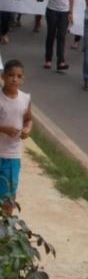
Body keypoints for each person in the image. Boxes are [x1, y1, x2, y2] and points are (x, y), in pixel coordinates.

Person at [0, 60, 32, 214]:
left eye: (19, 76)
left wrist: (27, 129)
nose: (14, 79)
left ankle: (5, 229)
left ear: (23, 79)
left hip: (13, 155)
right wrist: (4, 129)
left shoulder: (25, 99)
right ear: (2, 76)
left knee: (9, 194)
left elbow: (28, 118)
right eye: (11, 75)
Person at [44, 0, 75, 71]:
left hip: (64, 11)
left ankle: (61, 61)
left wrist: (71, 11)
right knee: (51, 35)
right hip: (52, 10)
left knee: (61, 36)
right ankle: (48, 59)